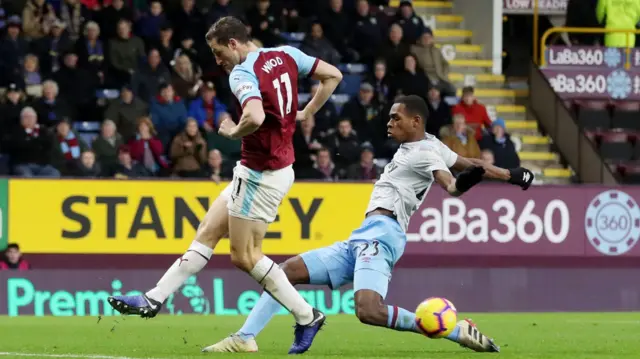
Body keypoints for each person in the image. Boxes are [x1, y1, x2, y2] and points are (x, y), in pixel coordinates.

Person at [205, 95, 534, 353]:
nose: (389, 122)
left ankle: (453, 330)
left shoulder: (425, 153)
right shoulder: (429, 143)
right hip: (363, 236)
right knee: (286, 270)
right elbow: (470, 162)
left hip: (382, 234)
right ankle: (245, 337)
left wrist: (467, 182)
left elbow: (451, 186)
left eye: (396, 117)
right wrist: (511, 175)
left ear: (415, 121)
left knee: (368, 310)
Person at [107, 16, 343, 355]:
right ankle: (153, 298)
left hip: (262, 174)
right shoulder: (287, 54)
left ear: (234, 43)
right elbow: (333, 75)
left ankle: (307, 316)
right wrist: (306, 111)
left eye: (218, 52)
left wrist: (232, 132)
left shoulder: (242, 72)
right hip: (265, 168)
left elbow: (256, 117)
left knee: (245, 257)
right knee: (206, 232)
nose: (218, 61)